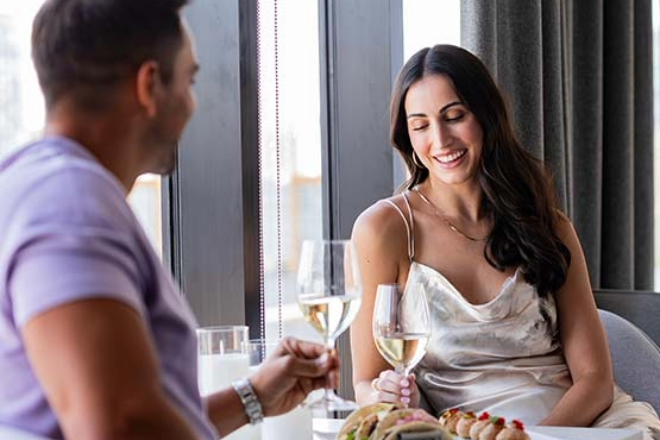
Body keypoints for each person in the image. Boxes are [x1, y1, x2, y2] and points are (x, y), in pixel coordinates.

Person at [0, 0, 339, 439]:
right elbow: (121, 422)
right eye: (190, 79)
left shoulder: (33, 183)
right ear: (149, 85)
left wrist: (251, 396)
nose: (195, 103)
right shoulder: (70, 205)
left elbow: (121, 406)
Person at [350, 44, 660, 439]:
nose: (441, 139)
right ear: (406, 136)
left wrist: (530, 439)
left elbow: (595, 380)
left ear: (486, 116)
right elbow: (366, 382)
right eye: (421, 125)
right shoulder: (385, 230)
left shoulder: (548, 225)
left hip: (582, 427)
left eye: (454, 116)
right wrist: (383, 393)